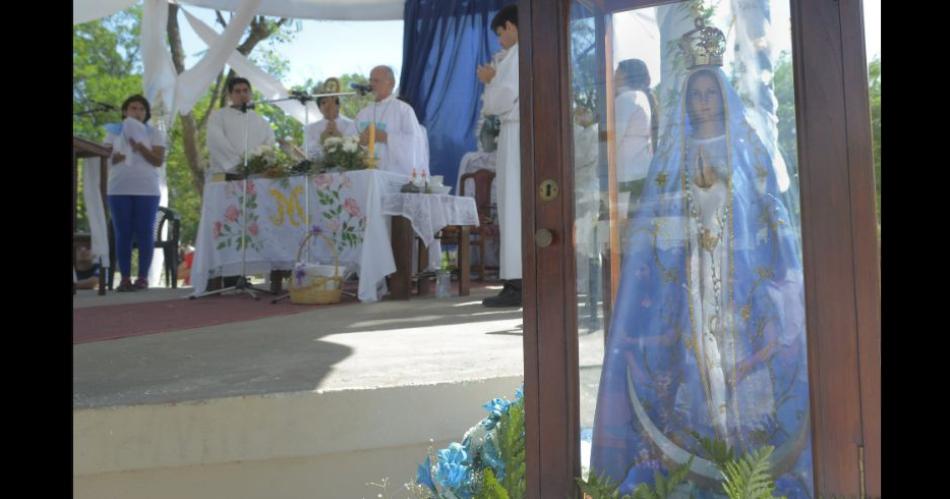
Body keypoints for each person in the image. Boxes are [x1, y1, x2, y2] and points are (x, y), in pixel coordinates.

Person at [589, 21, 813, 498]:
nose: (704, 102)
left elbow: (766, 203)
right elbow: (661, 211)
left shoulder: (747, 146)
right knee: (697, 349)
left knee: (736, 351)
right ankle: (702, 444)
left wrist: (734, 204)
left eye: (712, 93)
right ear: (687, 101)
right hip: (691, 270)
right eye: (697, 94)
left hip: (741, 271)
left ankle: (745, 449)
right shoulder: (674, 152)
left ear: (723, 95)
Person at [477, 4, 521, 308]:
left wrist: (491, 79)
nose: (499, 39)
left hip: (517, 130)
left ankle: (518, 282)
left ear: (512, 26)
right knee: (509, 204)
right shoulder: (513, 55)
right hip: (513, 131)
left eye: (501, 32)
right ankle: (515, 279)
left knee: (513, 204)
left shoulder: (518, 55)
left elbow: (501, 101)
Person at [104, 95, 166, 292]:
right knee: (123, 233)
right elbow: (106, 159)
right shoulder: (112, 133)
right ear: (125, 111)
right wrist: (124, 153)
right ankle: (124, 278)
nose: (137, 112)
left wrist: (140, 148)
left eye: (141, 109)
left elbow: (157, 160)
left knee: (145, 232)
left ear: (146, 114)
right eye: (133, 108)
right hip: (119, 188)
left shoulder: (155, 133)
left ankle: (142, 278)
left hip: (147, 189)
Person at [355, 66, 426, 176]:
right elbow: (350, 142)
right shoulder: (363, 113)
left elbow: (414, 144)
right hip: (367, 175)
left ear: (391, 83)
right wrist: (360, 142)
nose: (371, 85)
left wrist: (385, 137)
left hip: (394, 176)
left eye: (376, 81)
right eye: (371, 80)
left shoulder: (404, 110)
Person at [613, 59, 657, 221]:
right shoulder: (640, 97)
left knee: (623, 228)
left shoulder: (626, 98)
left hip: (626, 177)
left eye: (617, 72)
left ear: (625, 75)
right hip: (639, 174)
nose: (613, 76)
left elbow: (612, 140)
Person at [206, 77, 276, 177]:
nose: (242, 94)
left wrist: (256, 161)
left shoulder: (262, 121)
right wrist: (237, 165)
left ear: (250, 93)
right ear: (230, 95)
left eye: (245, 90)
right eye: (237, 91)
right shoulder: (218, 116)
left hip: (256, 174)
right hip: (226, 174)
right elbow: (216, 142)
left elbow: (269, 144)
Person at [305, 89, 358, 161]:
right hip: (319, 168)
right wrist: (322, 137)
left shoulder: (350, 124)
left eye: (332, 102)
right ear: (319, 108)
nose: (328, 105)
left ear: (338, 105)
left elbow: (354, 149)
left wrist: (337, 134)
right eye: (324, 103)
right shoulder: (310, 128)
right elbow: (309, 153)